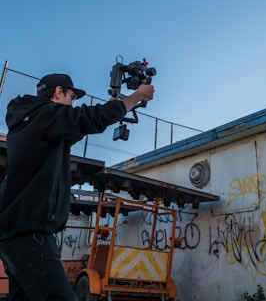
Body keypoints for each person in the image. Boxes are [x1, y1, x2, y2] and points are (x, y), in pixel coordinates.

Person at [0, 73, 154, 300]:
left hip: (17, 235)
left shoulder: (31, 122)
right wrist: (135, 98)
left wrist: (116, 107)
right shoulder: (45, 115)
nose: (73, 103)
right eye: (71, 96)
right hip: (31, 236)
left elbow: (75, 129)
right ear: (58, 91)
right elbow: (88, 118)